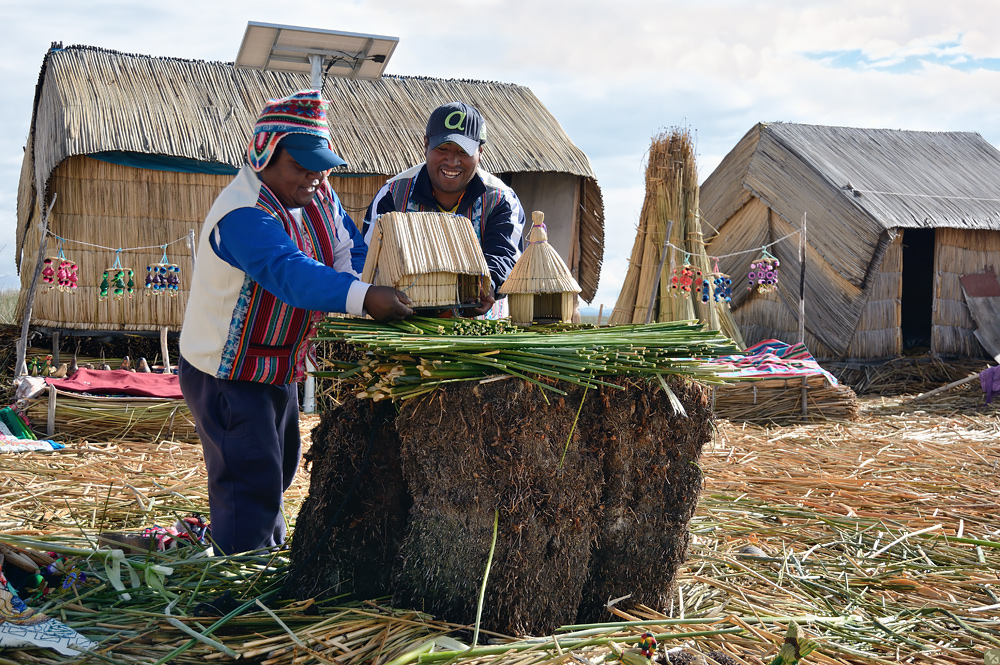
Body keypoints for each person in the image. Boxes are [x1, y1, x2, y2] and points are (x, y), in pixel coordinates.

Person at [178, 89, 413, 555]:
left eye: (321, 165)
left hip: (279, 364)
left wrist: (369, 280)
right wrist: (364, 298)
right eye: (301, 165)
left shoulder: (318, 194)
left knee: (279, 467)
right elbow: (288, 273)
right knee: (250, 478)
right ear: (264, 153)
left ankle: (266, 551)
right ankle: (240, 584)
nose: (314, 176)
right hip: (227, 372)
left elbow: (352, 248)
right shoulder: (242, 213)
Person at [363, 101, 525, 317]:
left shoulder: (500, 199)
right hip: (405, 330)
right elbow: (369, 259)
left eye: (463, 151)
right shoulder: (393, 195)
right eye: (443, 148)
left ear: (480, 152)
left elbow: (505, 256)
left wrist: (486, 287)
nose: (452, 160)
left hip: (480, 335)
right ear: (426, 145)